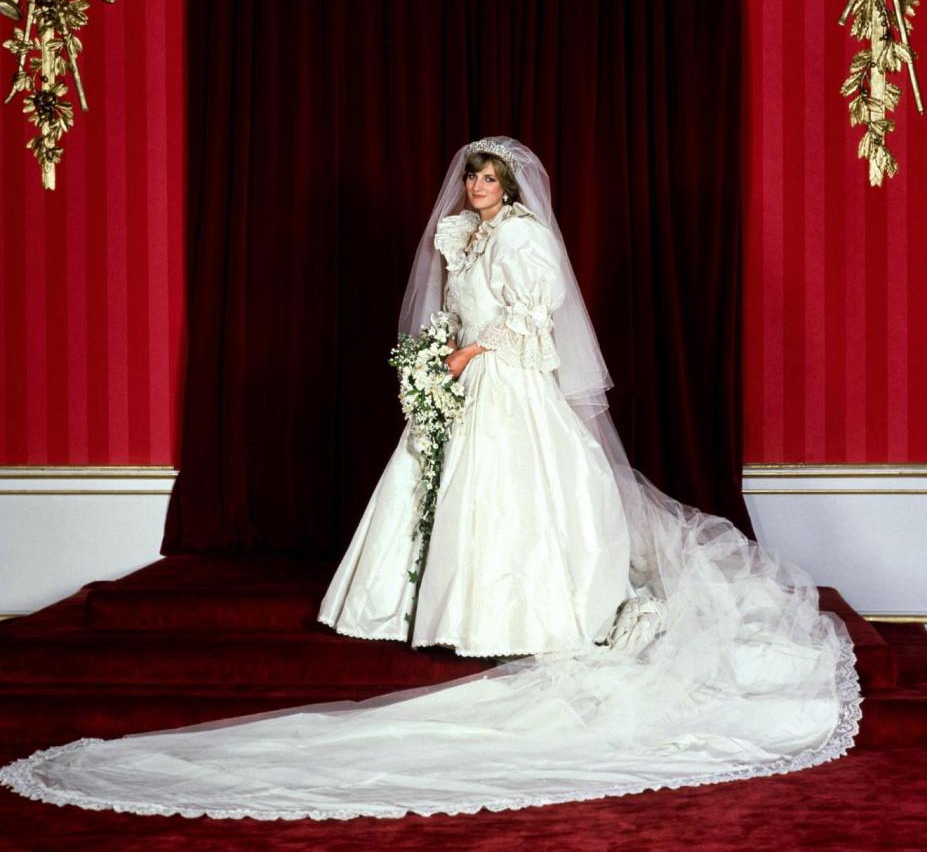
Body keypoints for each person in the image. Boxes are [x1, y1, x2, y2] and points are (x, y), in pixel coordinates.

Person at [0, 138, 862, 821]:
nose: (478, 188)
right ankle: (433, 607)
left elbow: (538, 314)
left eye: (489, 178)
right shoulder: (460, 233)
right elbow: (456, 305)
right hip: (465, 372)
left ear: (511, 187)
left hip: (508, 380)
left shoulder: (524, 237)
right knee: (442, 487)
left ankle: (519, 609)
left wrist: (473, 351)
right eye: (474, 178)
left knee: (518, 495)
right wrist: (436, 358)